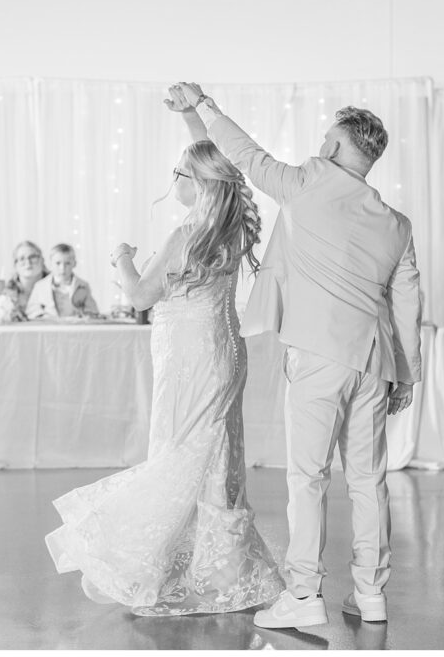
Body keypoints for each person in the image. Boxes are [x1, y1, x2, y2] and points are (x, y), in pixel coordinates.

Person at [171, 82, 423, 629]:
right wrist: (407, 374)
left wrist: (203, 105)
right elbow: (407, 299)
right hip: (375, 361)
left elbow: (245, 155)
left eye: (327, 137)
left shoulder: (310, 181)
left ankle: (305, 595)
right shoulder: (396, 223)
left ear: (335, 147)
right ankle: (371, 593)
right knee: (368, 480)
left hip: (317, 354)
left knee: (307, 478)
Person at [44, 100, 284, 617]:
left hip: (188, 359)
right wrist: (190, 118)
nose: (172, 179)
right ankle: (220, 570)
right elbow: (215, 159)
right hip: (224, 354)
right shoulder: (231, 227)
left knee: (177, 453)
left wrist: (122, 258)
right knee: (214, 457)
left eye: (179, 172)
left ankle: (148, 561)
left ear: (197, 183)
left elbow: (140, 296)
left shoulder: (185, 235)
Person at [25, 243, 99, 319]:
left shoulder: (82, 285)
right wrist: (43, 317)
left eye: (67, 263)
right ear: (51, 264)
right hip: (49, 326)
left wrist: (84, 316)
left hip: (74, 326)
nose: (62, 268)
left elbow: (92, 310)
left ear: (74, 263)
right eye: (58, 263)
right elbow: (32, 311)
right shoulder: (40, 286)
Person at [0, 241, 49, 322]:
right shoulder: (5, 296)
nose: (28, 262)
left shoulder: (56, 288)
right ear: (15, 265)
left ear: (42, 260)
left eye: (32, 257)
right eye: (22, 259)